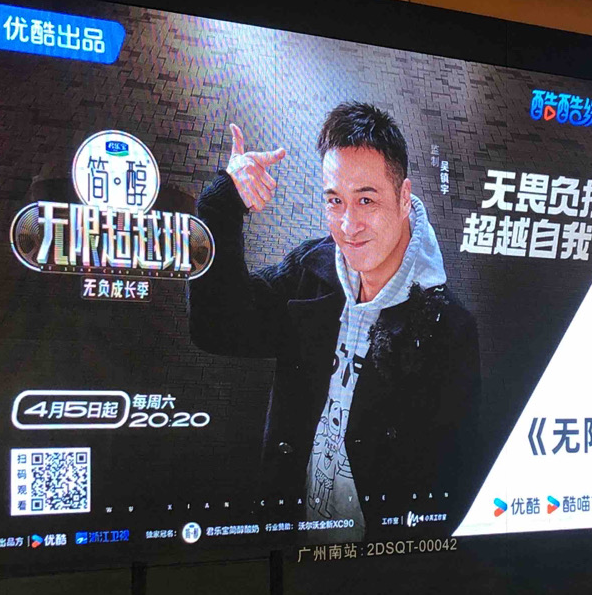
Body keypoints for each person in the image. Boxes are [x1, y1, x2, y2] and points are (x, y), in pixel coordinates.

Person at [190, 102, 480, 539]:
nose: (348, 225)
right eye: (335, 201)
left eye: (366, 200)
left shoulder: (447, 328)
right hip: (288, 552)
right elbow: (217, 326)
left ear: (404, 198)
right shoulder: (312, 270)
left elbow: (453, 488)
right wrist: (221, 205)